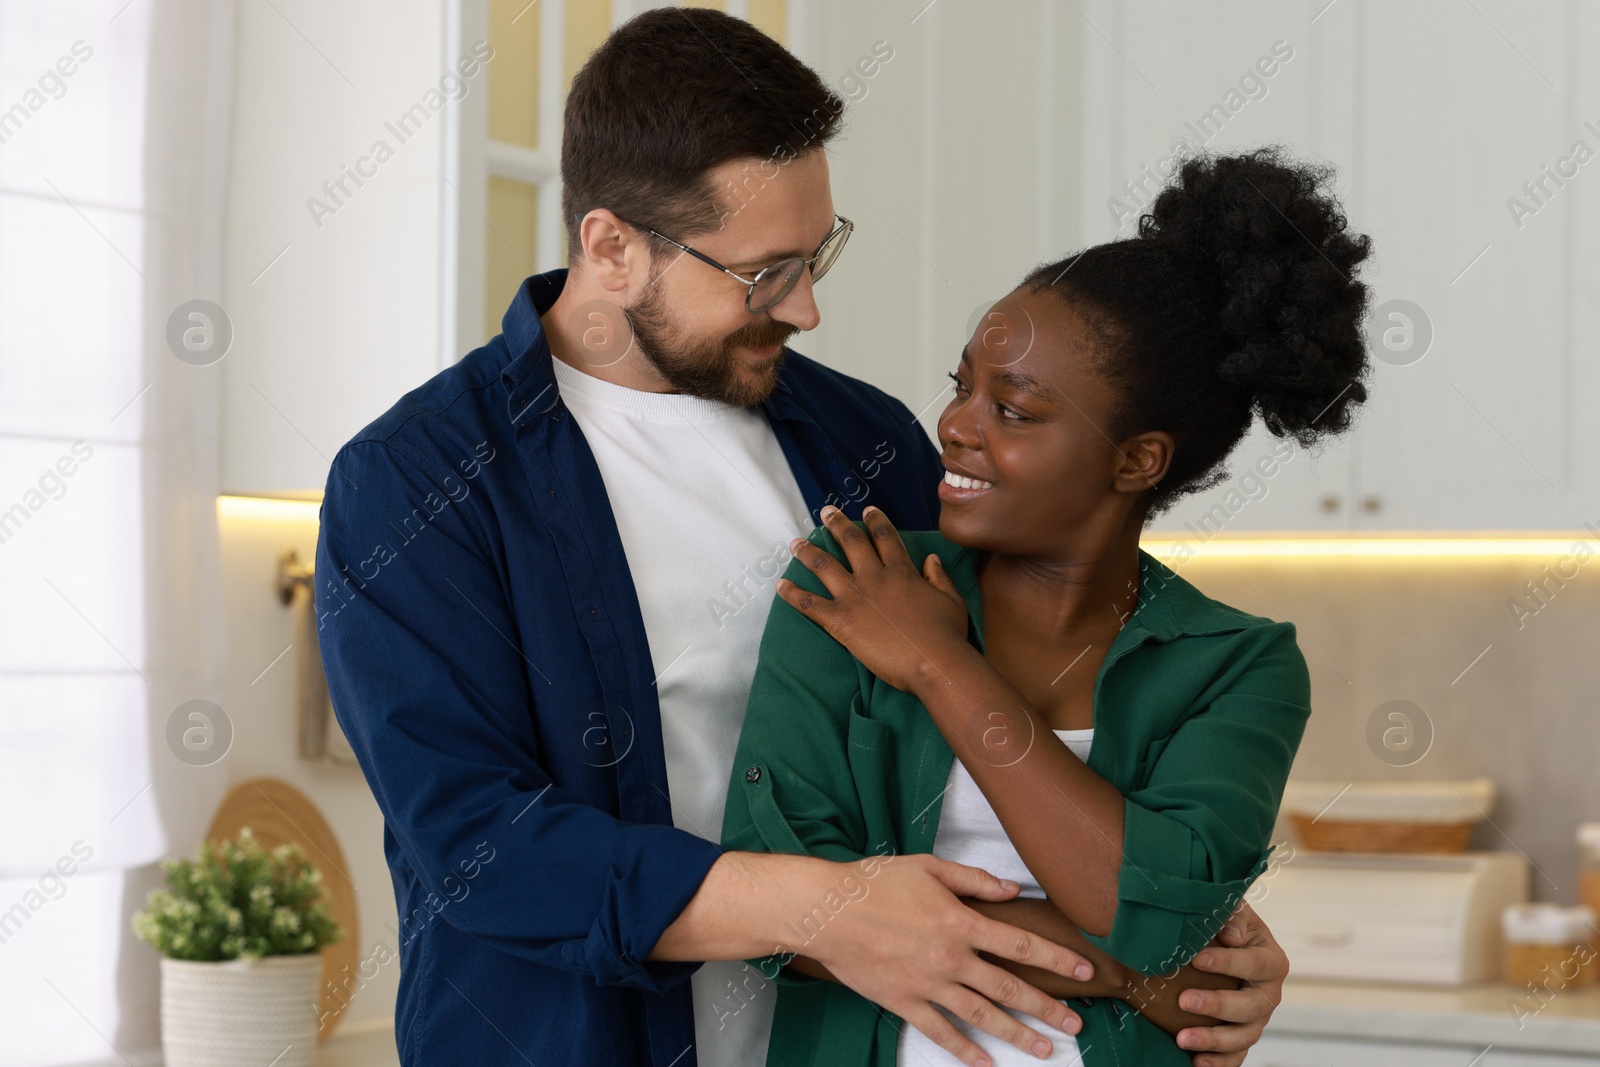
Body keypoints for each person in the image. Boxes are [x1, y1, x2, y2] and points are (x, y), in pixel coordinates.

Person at [314, 10, 1293, 1066]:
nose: (808, 308)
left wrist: (1198, 942)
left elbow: (998, 748)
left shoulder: (862, 440)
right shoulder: (419, 480)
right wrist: (824, 907)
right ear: (611, 248)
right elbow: (480, 847)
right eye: (763, 274)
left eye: (816, 252)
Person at [720, 147, 1372, 1067]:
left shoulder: (1237, 664)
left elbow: (1157, 913)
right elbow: (792, 914)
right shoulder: (857, 583)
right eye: (962, 386)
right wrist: (1125, 968)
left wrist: (944, 667)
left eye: (1015, 411)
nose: (955, 423)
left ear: (1137, 460)